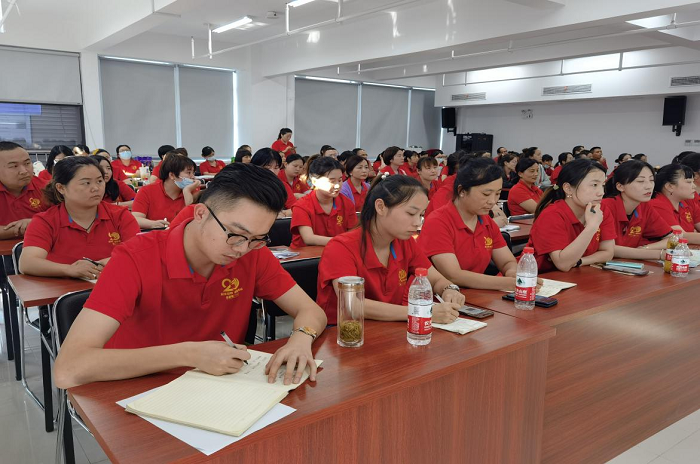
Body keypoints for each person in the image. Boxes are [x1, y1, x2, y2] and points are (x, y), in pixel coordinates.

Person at [53, 163, 327, 389]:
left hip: (219, 386)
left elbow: (311, 311)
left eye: (257, 238)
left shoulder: (253, 254)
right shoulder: (134, 258)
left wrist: (300, 340)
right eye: (235, 235)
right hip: (139, 388)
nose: (242, 249)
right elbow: (68, 369)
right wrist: (189, 354)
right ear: (201, 213)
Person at [316, 175, 465, 325]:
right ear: (381, 207)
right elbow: (352, 304)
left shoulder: (405, 242)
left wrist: (449, 289)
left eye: (421, 215)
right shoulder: (340, 247)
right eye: (411, 213)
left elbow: (436, 279)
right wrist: (420, 311)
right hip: (343, 332)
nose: (417, 223)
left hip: (390, 328)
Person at [419, 158, 531, 291]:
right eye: (486, 194)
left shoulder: (485, 221)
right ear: (462, 191)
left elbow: (507, 262)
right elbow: (453, 275)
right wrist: (506, 283)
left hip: (476, 295)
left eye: (497, 194)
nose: (492, 201)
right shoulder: (438, 221)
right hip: (443, 297)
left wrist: (512, 273)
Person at [19, 156, 139, 279]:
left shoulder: (120, 215)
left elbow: (138, 253)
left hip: (114, 283)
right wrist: (69, 269)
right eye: (86, 183)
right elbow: (27, 263)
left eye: (99, 181)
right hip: (64, 287)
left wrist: (97, 265)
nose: (96, 188)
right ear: (61, 188)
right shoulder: (46, 221)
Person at [527, 159, 616, 272]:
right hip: (538, 276)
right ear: (568, 189)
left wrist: (580, 261)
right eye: (594, 185)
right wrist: (591, 227)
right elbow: (563, 264)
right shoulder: (552, 215)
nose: (601, 192)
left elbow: (608, 252)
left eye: (602, 185)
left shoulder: (601, 209)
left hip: (578, 274)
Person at [601, 160, 673, 260]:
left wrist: (646, 248)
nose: (649, 186)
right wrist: (659, 254)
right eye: (640, 181)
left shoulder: (644, 206)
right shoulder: (604, 207)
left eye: (651, 180)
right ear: (620, 186)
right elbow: (608, 248)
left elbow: (672, 238)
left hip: (627, 263)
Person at [291, 157, 357, 247]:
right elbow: (309, 238)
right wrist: (343, 241)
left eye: (340, 180)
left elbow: (352, 234)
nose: (337, 185)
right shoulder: (301, 205)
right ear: (314, 181)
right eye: (331, 181)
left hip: (337, 251)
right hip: (307, 254)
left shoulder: (347, 203)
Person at [132, 153, 199, 229]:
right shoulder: (147, 191)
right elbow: (136, 219)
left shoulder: (192, 190)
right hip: (157, 233)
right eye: (188, 173)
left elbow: (197, 219)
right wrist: (152, 224)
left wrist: (187, 192)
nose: (193, 177)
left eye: (193, 173)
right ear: (172, 175)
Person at [0, 142, 50, 239]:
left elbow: (66, 219)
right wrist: (35, 225)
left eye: (27, 163)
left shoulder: (47, 188)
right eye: (14, 166)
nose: (24, 171)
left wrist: (36, 223)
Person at [648, 164, 700, 243]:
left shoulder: (688, 202)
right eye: (689, 182)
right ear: (669, 186)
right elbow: (679, 236)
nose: (694, 186)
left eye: (693, 182)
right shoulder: (657, 204)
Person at [251, 148, 294, 216]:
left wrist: (283, 213)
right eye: (267, 168)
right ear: (254, 167)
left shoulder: (282, 186)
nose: (272, 172)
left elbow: (295, 208)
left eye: (276, 168)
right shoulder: (246, 186)